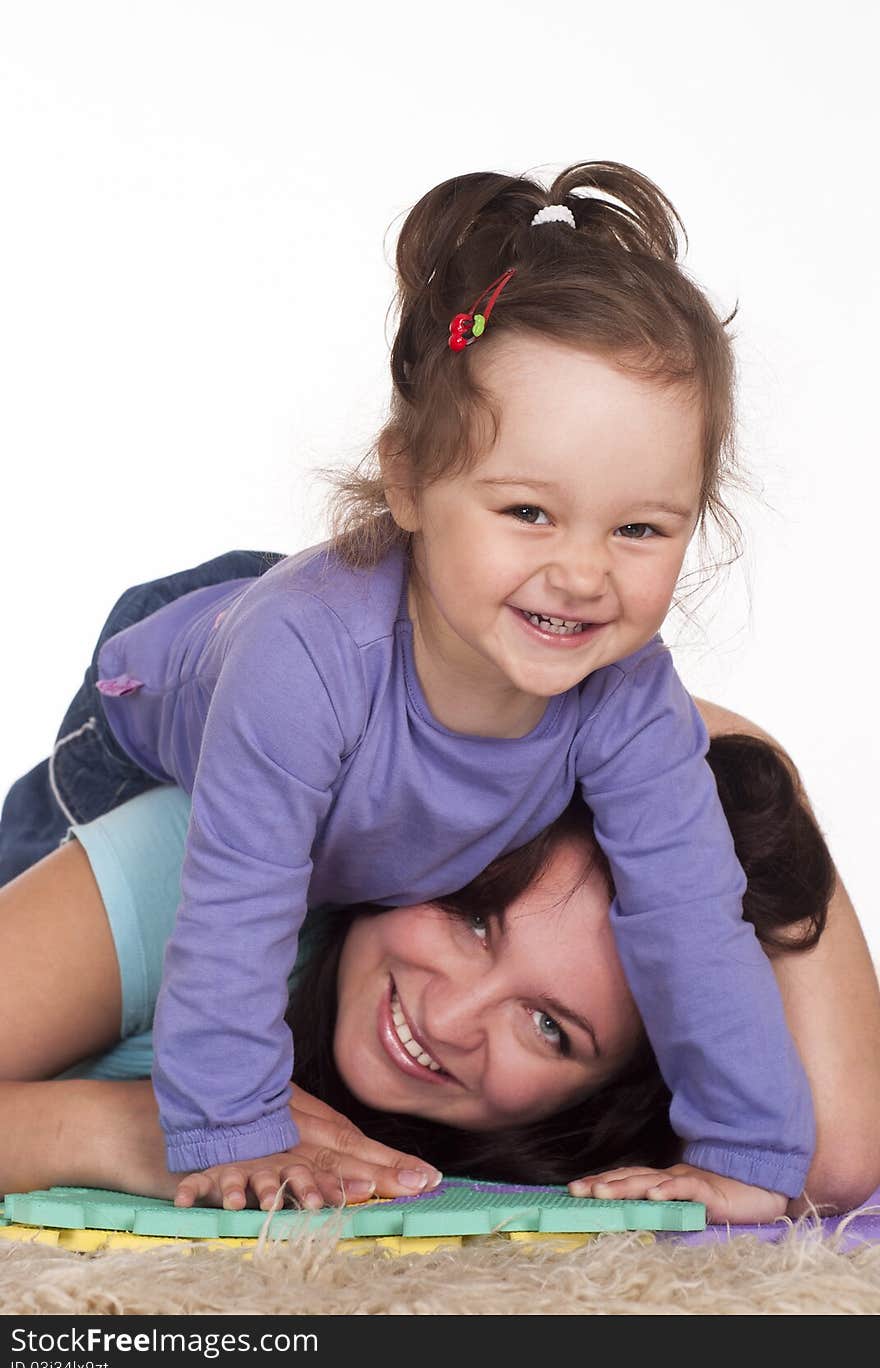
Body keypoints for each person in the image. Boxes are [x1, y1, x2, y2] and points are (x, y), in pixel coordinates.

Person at [0, 160, 819, 1216]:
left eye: (639, 528)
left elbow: (691, 918)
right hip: (169, 706)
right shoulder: (303, 662)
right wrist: (231, 1132)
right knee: (107, 967)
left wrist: (746, 1148)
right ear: (406, 481)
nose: (582, 572)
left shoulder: (625, 696)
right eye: (529, 510)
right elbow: (239, 894)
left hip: (360, 767)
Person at [2, 725, 879, 1225]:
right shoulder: (208, 861)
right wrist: (122, 1130)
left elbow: (833, 1165)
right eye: (472, 914)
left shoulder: (571, 1141)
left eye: (550, 1027)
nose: (453, 1016)